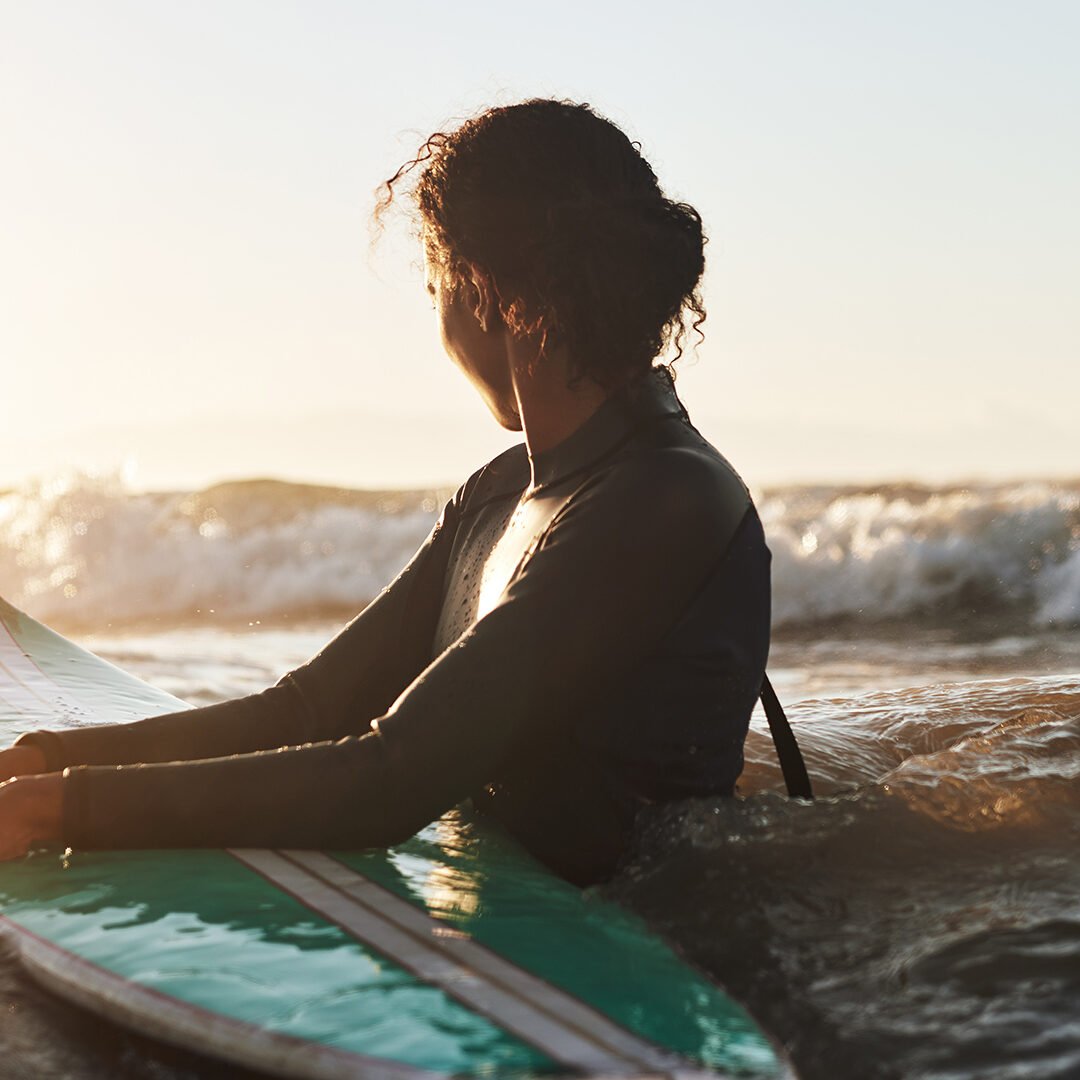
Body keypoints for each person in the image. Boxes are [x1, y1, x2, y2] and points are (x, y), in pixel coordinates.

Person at [0, 100, 770, 886]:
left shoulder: (667, 498)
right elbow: (304, 713)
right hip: (512, 910)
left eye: (435, 286)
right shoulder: (502, 493)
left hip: (660, 943)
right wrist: (39, 765)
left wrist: (50, 813)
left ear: (474, 290)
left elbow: (391, 778)